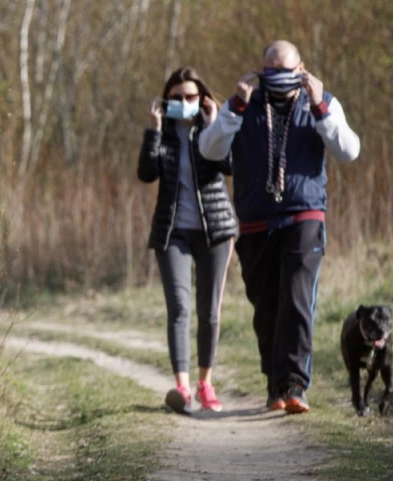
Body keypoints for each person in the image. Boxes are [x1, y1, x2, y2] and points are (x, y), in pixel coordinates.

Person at [199, 40, 361, 414]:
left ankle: (295, 385)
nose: (277, 79)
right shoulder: (241, 106)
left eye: (285, 71)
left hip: (304, 215)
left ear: (301, 68)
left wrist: (320, 105)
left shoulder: (322, 103)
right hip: (256, 222)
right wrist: (235, 106)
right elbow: (209, 149)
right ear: (260, 71)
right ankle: (275, 384)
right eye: (269, 72)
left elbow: (349, 151)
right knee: (266, 308)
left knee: (297, 299)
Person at [138, 67, 238, 415]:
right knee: (179, 308)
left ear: (203, 99)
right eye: (177, 98)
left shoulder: (213, 128)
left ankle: (205, 382)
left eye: (190, 97)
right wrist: (154, 130)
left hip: (215, 231)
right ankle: (182, 388)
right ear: (167, 101)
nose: (184, 103)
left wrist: (214, 126)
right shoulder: (162, 133)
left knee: (209, 310)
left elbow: (229, 166)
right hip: (172, 232)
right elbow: (146, 173)